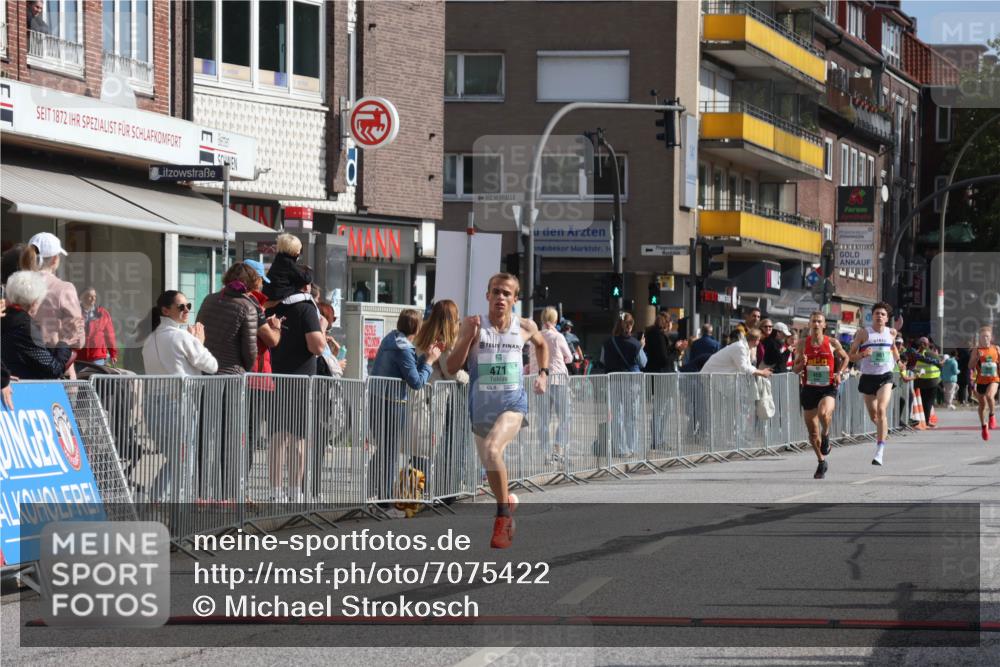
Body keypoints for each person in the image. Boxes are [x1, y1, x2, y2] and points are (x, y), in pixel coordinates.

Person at [447, 273, 548, 549]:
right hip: (481, 408)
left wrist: (543, 373)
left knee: (492, 450)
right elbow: (451, 367)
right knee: (491, 463)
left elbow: (542, 344)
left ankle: (502, 518)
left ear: (515, 298)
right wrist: (467, 338)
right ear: (487, 295)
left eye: (506, 293)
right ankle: (508, 502)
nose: (501, 297)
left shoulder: (525, 326)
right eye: (496, 292)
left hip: (512, 404)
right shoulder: (474, 326)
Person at [138, 290, 219, 500]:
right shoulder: (181, 336)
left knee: (176, 458)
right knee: (184, 459)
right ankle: (174, 509)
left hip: (153, 405)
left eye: (188, 306)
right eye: (180, 307)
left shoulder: (150, 339)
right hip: (177, 404)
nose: (186, 311)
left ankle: (156, 502)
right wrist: (200, 342)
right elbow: (212, 365)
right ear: (165, 310)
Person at [369, 309, 442, 502]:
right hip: (392, 403)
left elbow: (405, 369)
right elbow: (416, 382)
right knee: (390, 451)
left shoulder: (390, 339)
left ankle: (373, 492)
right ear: (417, 327)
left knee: (384, 448)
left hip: (377, 399)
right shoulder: (403, 348)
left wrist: (423, 357)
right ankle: (386, 500)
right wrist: (431, 362)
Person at [267, 267, 326, 501]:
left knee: (277, 437)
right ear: (307, 286)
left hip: (276, 376)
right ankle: (294, 491)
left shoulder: (276, 306)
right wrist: (321, 329)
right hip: (301, 380)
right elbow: (316, 347)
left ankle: (274, 491)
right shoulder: (306, 308)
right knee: (299, 438)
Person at [413, 300, 470, 495]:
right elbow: (451, 371)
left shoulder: (422, 334)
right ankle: (433, 487)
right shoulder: (443, 341)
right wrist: (468, 377)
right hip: (438, 396)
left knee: (421, 443)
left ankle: (417, 485)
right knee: (435, 443)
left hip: (421, 393)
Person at [792, 312, 849, 480]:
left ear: (824, 325)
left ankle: (827, 434)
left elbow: (845, 358)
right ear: (809, 324)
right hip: (809, 388)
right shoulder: (802, 344)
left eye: (819, 321)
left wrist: (839, 372)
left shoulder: (832, 342)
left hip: (828, 387)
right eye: (813, 321)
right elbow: (795, 370)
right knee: (812, 432)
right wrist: (802, 362)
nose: (816, 324)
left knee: (824, 412)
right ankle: (821, 461)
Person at [20, 233, 84, 377]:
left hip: (18, 370)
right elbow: (77, 337)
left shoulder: (16, 287)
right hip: (55, 368)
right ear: (55, 259)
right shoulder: (63, 288)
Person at [848, 302, 899, 466]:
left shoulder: (891, 333)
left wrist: (900, 363)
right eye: (877, 313)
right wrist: (863, 354)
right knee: (874, 416)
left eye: (883, 314)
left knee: (882, 409)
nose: (879, 316)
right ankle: (882, 429)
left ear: (887, 318)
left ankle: (879, 451)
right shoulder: (863, 333)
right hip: (868, 377)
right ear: (873, 315)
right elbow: (851, 356)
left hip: (885, 376)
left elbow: (894, 350)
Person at [1, 270, 72, 379]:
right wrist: (65, 343)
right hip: (25, 391)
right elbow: (53, 369)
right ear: (34, 302)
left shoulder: (4, 316)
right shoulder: (26, 327)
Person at [527, 307, 573, 463]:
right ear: (555, 320)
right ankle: (558, 449)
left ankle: (546, 453)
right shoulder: (557, 336)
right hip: (558, 380)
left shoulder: (535, 337)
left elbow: (532, 359)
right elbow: (569, 357)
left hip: (540, 380)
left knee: (543, 419)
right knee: (565, 417)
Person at [600, 312, 646, 457]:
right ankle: (632, 448)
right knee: (631, 417)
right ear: (630, 326)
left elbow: (602, 361)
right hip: (632, 383)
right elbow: (643, 362)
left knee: (617, 416)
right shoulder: (636, 344)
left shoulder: (608, 343)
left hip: (613, 381)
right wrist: (642, 346)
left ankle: (621, 449)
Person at [701, 328, 773, 378]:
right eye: (759, 340)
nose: (759, 343)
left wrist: (761, 371)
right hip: (709, 376)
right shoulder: (740, 347)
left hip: (714, 376)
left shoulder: (744, 346)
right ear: (755, 340)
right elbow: (744, 368)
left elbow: (747, 366)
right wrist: (762, 373)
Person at [969, 326, 999, 441]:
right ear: (979, 338)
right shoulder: (976, 350)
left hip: (994, 379)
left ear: (991, 338)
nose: (985, 339)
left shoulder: (996, 349)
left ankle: (992, 416)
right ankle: (984, 426)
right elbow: (970, 366)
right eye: (983, 337)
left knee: (989, 396)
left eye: (987, 336)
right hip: (981, 381)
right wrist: (975, 359)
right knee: (982, 406)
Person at [78, 288, 118, 367]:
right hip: (79, 357)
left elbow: (110, 336)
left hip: (97, 357)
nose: (93, 299)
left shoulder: (103, 313)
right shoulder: (75, 312)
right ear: (81, 298)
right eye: (90, 296)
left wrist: (113, 354)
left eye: (95, 296)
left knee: (95, 378)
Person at [262, 233, 306, 303]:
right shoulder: (288, 263)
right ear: (293, 251)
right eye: (299, 250)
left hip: (269, 293)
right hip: (278, 295)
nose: (299, 252)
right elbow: (305, 278)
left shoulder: (279, 258)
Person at [911, 337, 942, 427]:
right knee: (928, 402)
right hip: (932, 381)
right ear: (927, 344)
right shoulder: (931, 354)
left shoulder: (916, 354)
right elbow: (940, 364)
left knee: (922, 402)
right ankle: (926, 422)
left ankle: (923, 421)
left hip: (920, 381)